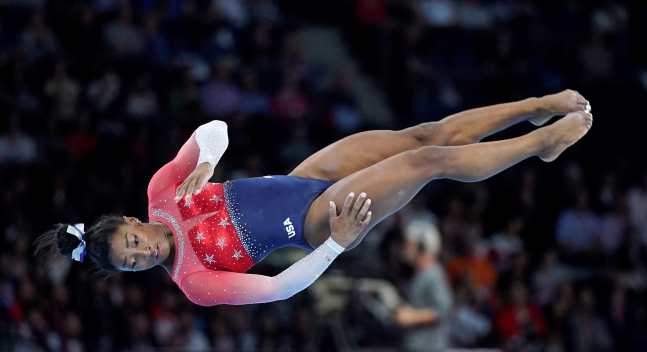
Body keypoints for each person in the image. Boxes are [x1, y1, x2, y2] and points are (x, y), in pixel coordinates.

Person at [34, 89, 592, 305]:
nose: (143, 253)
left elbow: (216, 129)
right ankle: (543, 142)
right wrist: (336, 247)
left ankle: (535, 106)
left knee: (426, 133)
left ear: (133, 219)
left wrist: (205, 163)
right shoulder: (195, 281)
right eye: (133, 263)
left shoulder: (163, 192)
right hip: (315, 219)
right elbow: (278, 287)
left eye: (132, 242)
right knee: (428, 162)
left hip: (301, 177)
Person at [395, 217, 454, 351]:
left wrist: (412, 316)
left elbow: (443, 310)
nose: (405, 249)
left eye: (409, 245)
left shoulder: (433, 275)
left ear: (422, 247)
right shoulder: (420, 274)